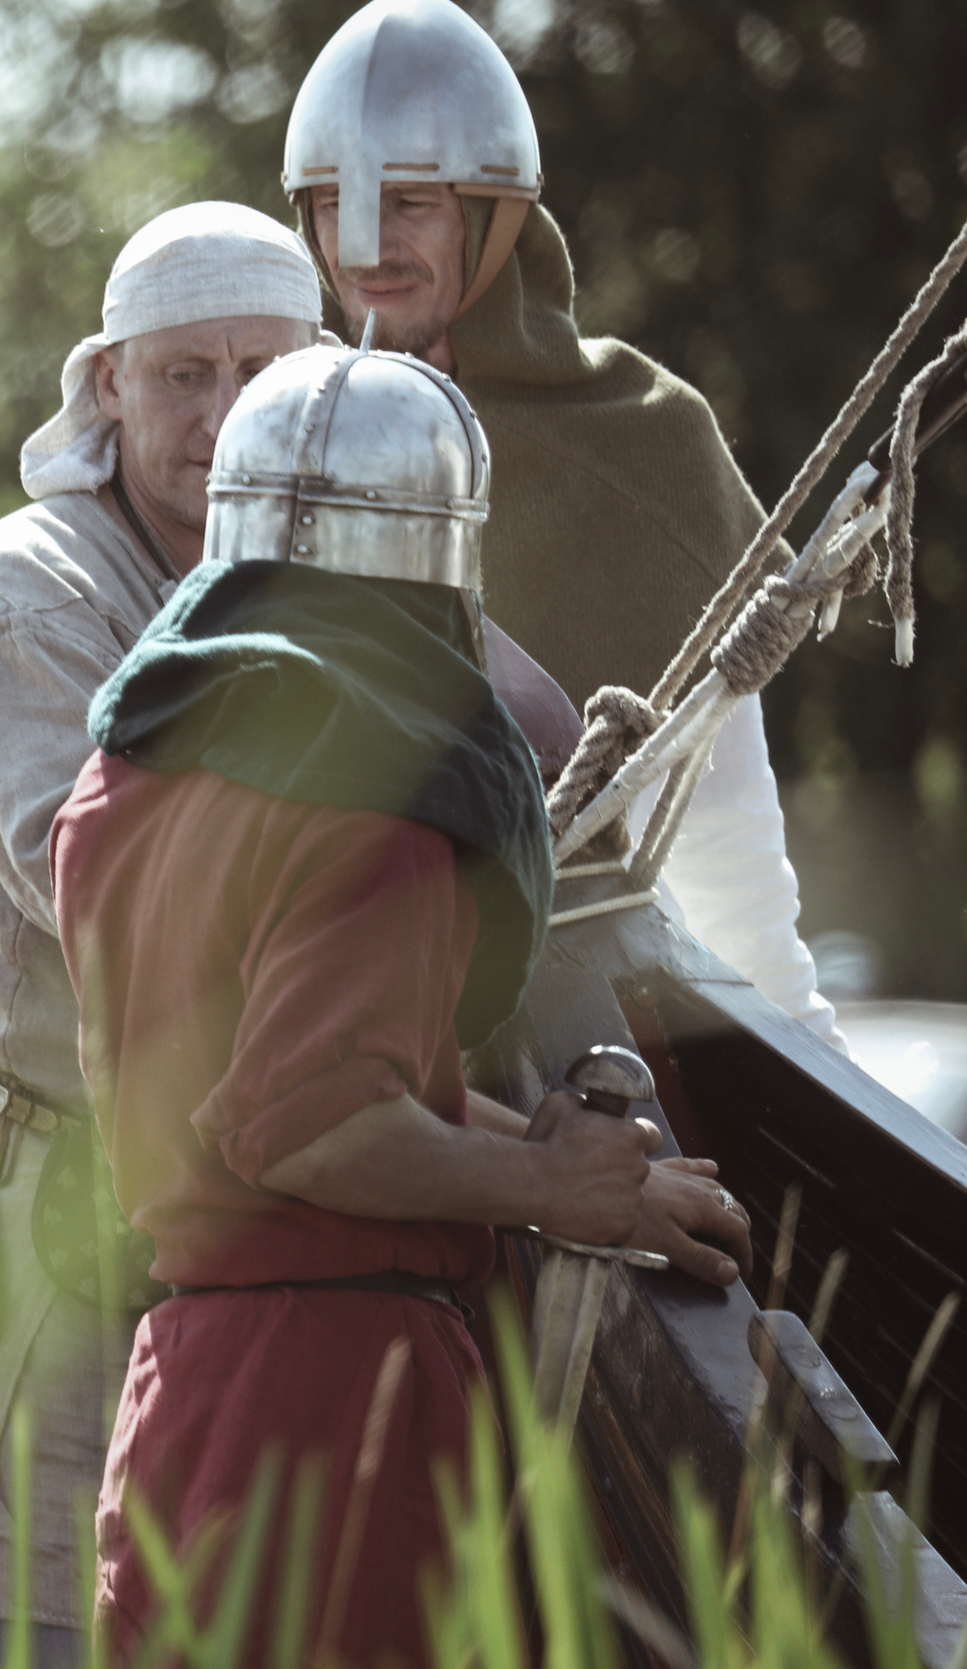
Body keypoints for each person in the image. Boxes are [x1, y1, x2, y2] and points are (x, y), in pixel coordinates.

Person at [0, 200, 582, 1669]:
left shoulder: (321, 581)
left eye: (257, 376)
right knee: (40, 1642)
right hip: (77, 1205)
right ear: (108, 384)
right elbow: (129, 917)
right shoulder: (30, 591)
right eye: (180, 374)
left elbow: (527, 741)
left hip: (269, 1232)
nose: (215, 418)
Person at [50, 340, 754, 1669]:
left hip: (185, 1384)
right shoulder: (372, 794)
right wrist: (548, 1183)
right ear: (441, 559)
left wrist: (574, 1173)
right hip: (340, 1407)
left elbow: (317, 1076)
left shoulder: (130, 777)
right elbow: (310, 1122)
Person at [278, 0, 841, 1045]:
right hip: (332, 1036)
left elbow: (731, 866)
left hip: (593, 1044)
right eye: (333, 205)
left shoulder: (643, 438)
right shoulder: (273, 445)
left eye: (409, 203)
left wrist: (816, 1077)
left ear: (493, 215)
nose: (365, 246)